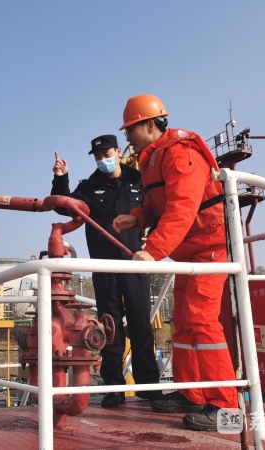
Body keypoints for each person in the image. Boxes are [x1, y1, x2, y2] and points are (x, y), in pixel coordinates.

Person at [113, 94, 238, 431]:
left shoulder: (180, 153)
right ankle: (192, 394)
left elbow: (183, 206)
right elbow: (159, 205)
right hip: (187, 251)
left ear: (148, 125)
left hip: (208, 247)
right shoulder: (152, 159)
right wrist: (137, 217)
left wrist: (152, 249)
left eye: (130, 130)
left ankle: (226, 407)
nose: (127, 138)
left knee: (201, 321)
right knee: (181, 324)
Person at [51, 134, 160, 408]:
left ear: (118, 151)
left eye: (106, 154)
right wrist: (61, 179)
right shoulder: (90, 185)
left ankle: (149, 387)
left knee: (141, 323)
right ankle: (114, 388)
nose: (103, 160)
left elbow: (158, 209)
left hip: (135, 264)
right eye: (98, 157)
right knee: (110, 327)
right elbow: (65, 206)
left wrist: (154, 240)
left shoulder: (139, 180)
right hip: (103, 267)